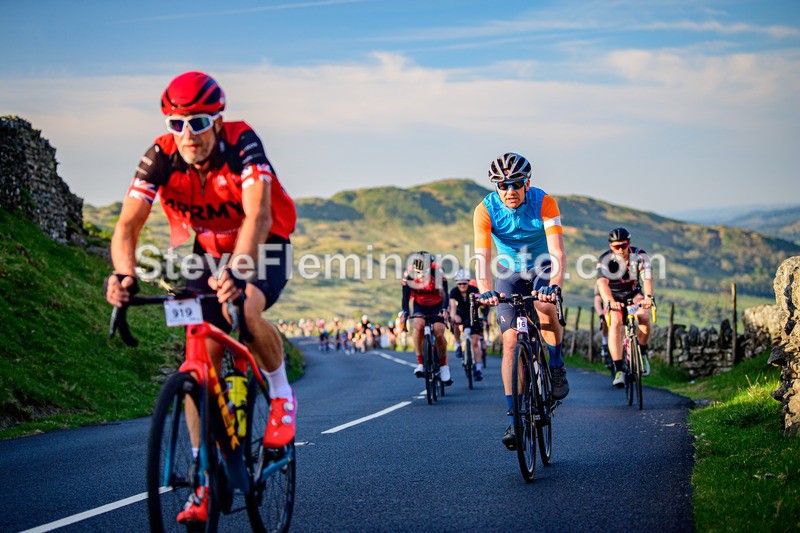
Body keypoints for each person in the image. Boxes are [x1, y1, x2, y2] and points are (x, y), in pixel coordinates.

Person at [104, 71, 297, 526]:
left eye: (199, 121)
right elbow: (127, 226)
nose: (188, 134)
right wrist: (123, 273)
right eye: (177, 124)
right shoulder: (160, 156)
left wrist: (239, 270)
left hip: (264, 240)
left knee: (246, 311)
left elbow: (259, 213)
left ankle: (283, 394)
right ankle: (203, 473)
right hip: (208, 249)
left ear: (218, 120)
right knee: (200, 348)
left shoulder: (242, 142)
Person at [473, 152, 568, 450]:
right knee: (511, 343)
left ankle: (555, 364)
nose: (509, 191)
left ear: (527, 182)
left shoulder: (544, 202)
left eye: (516, 183)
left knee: (544, 307)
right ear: (495, 187)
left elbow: (558, 253)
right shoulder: (485, 210)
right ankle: (514, 420)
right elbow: (481, 257)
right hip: (507, 272)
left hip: (542, 266)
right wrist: (485, 289)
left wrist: (553, 286)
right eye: (502, 185)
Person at [596, 227, 655, 387]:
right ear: (611, 247)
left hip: (633, 294)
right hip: (614, 297)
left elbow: (647, 279)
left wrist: (649, 297)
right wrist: (608, 300)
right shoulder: (605, 259)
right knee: (615, 323)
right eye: (616, 247)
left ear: (629, 243)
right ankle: (618, 369)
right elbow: (602, 283)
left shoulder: (640, 256)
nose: (621, 250)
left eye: (624, 245)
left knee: (643, 316)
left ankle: (641, 353)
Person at [398, 251, 452, 385]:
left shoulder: (438, 272)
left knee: (439, 332)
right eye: (418, 274)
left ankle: (444, 366)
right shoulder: (408, 276)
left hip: (437, 304)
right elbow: (405, 298)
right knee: (418, 326)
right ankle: (420, 363)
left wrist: (444, 309)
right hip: (420, 305)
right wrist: (405, 311)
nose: (421, 278)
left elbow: (445, 295)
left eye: (424, 274)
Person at [449, 269, 484, 381]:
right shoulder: (454, 292)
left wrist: (478, 318)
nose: (462, 286)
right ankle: (458, 344)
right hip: (461, 313)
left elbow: (478, 306)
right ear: (456, 284)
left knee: (475, 342)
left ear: (468, 283)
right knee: (455, 323)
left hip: (472, 313)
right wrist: (453, 317)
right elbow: (453, 307)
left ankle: (478, 369)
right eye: (459, 283)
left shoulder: (474, 290)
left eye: (464, 283)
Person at [593, 285, 612, 369]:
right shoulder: (601, 279)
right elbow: (597, 300)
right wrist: (601, 316)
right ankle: (605, 344)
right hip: (605, 306)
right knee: (604, 322)